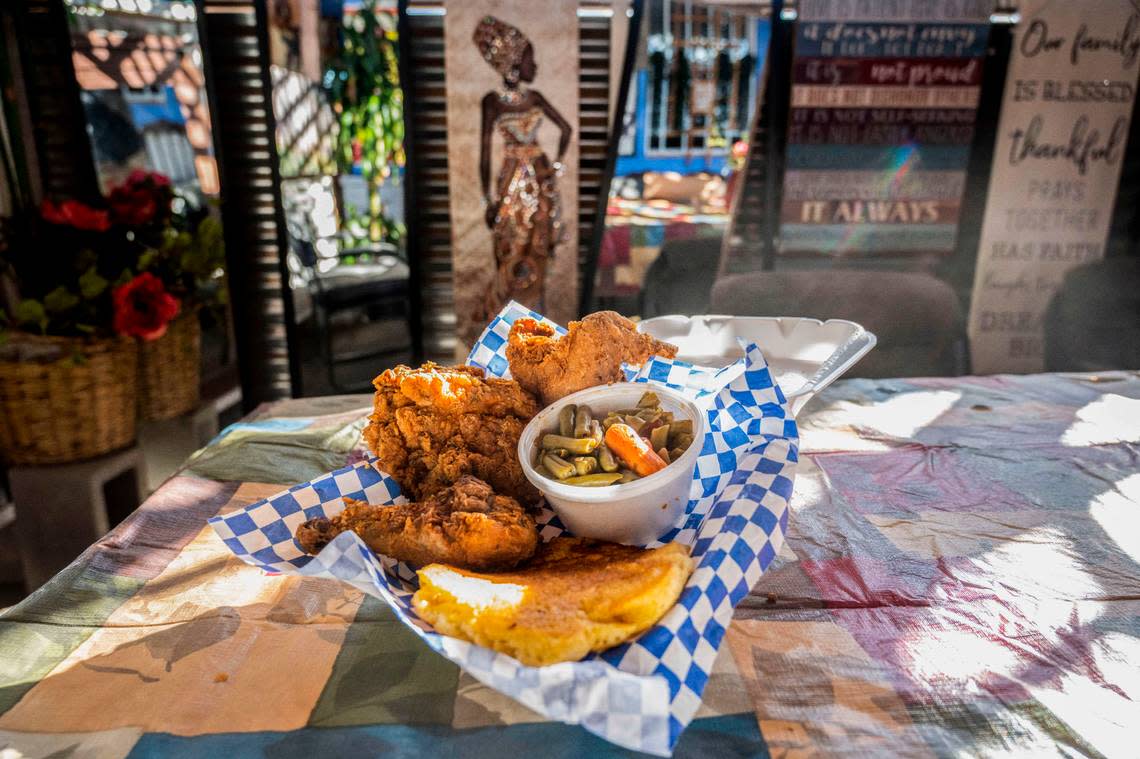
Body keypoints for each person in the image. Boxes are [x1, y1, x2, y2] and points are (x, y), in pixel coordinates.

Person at [472, 15, 572, 326]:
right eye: (530, 59)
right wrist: (488, 200)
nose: (535, 66)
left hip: (539, 188)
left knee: (540, 253)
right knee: (508, 253)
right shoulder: (492, 102)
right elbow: (484, 155)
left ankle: (538, 327)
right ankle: (507, 329)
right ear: (514, 62)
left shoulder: (535, 98)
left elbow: (567, 130)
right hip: (511, 189)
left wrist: (553, 167)